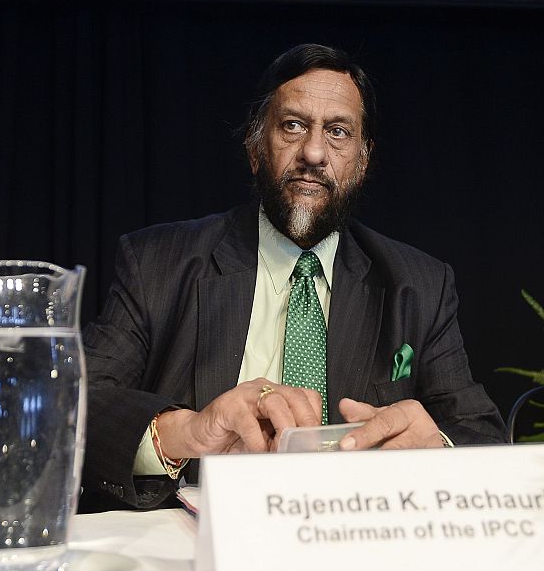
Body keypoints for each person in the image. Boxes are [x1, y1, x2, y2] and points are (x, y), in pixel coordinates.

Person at [82, 43, 504, 510]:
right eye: (293, 126)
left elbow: (482, 436)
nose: (314, 152)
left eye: (338, 132)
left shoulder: (418, 286)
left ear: (363, 162)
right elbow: (79, 407)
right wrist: (186, 431)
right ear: (255, 148)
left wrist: (436, 447)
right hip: (192, 533)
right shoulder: (157, 263)